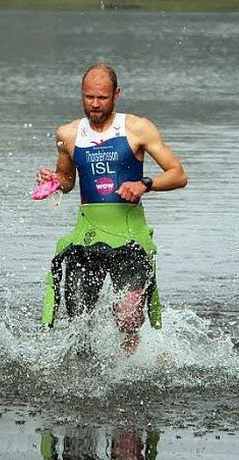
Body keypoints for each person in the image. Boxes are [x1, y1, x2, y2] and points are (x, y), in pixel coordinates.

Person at [37, 63, 187, 354]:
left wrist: (145, 184)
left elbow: (178, 174)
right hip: (87, 239)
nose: (94, 104)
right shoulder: (67, 134)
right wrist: (54, 182)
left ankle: (128, 366)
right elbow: (68, 180)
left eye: (102, 98)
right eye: (88, 97)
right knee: (78, 316)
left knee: (128, 317)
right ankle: (86, 371)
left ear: (116, 94)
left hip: (129, 238)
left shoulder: (137, 128)